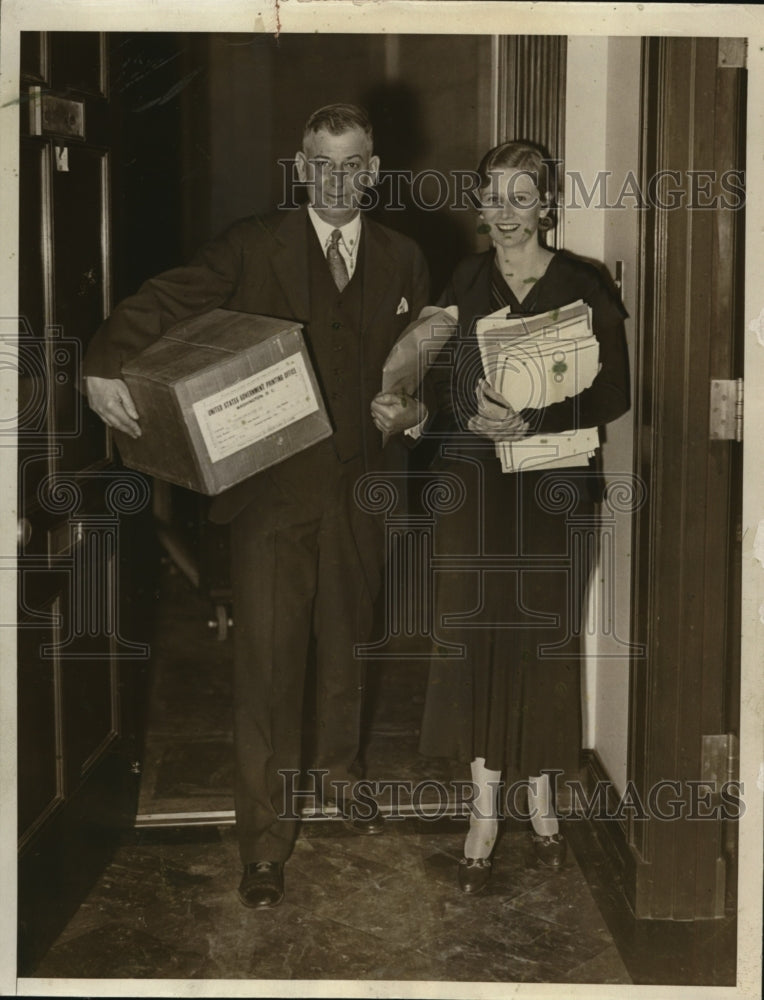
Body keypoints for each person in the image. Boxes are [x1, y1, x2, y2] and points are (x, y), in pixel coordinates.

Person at [83, 103, 429, 908]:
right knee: (268, 671)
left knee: (348, 649)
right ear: (301, 167)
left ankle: (341, 776)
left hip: (363, 493)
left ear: (374, 170)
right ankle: (264, 843)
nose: (340, 179)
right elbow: (166, 300)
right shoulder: (251, 245)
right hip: (272, 497)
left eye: (355, 165)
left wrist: (410, 412)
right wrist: (103, 362)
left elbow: (424, 367)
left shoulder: (406, 256)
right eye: (324, 163)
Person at [376, 139, 630, 893]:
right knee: (478, 633)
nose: (507, 212)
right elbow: (450, 385)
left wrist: (539, 416)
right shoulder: (466, 279)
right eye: (495, 196)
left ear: (547, 205)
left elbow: (614, 391)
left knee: (544, 637)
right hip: (475, 483)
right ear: (481, 205)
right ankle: (485, 807)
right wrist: (470, 413)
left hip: (555, 484)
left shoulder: (584, 283)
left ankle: (543, 798)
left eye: (524, 197)